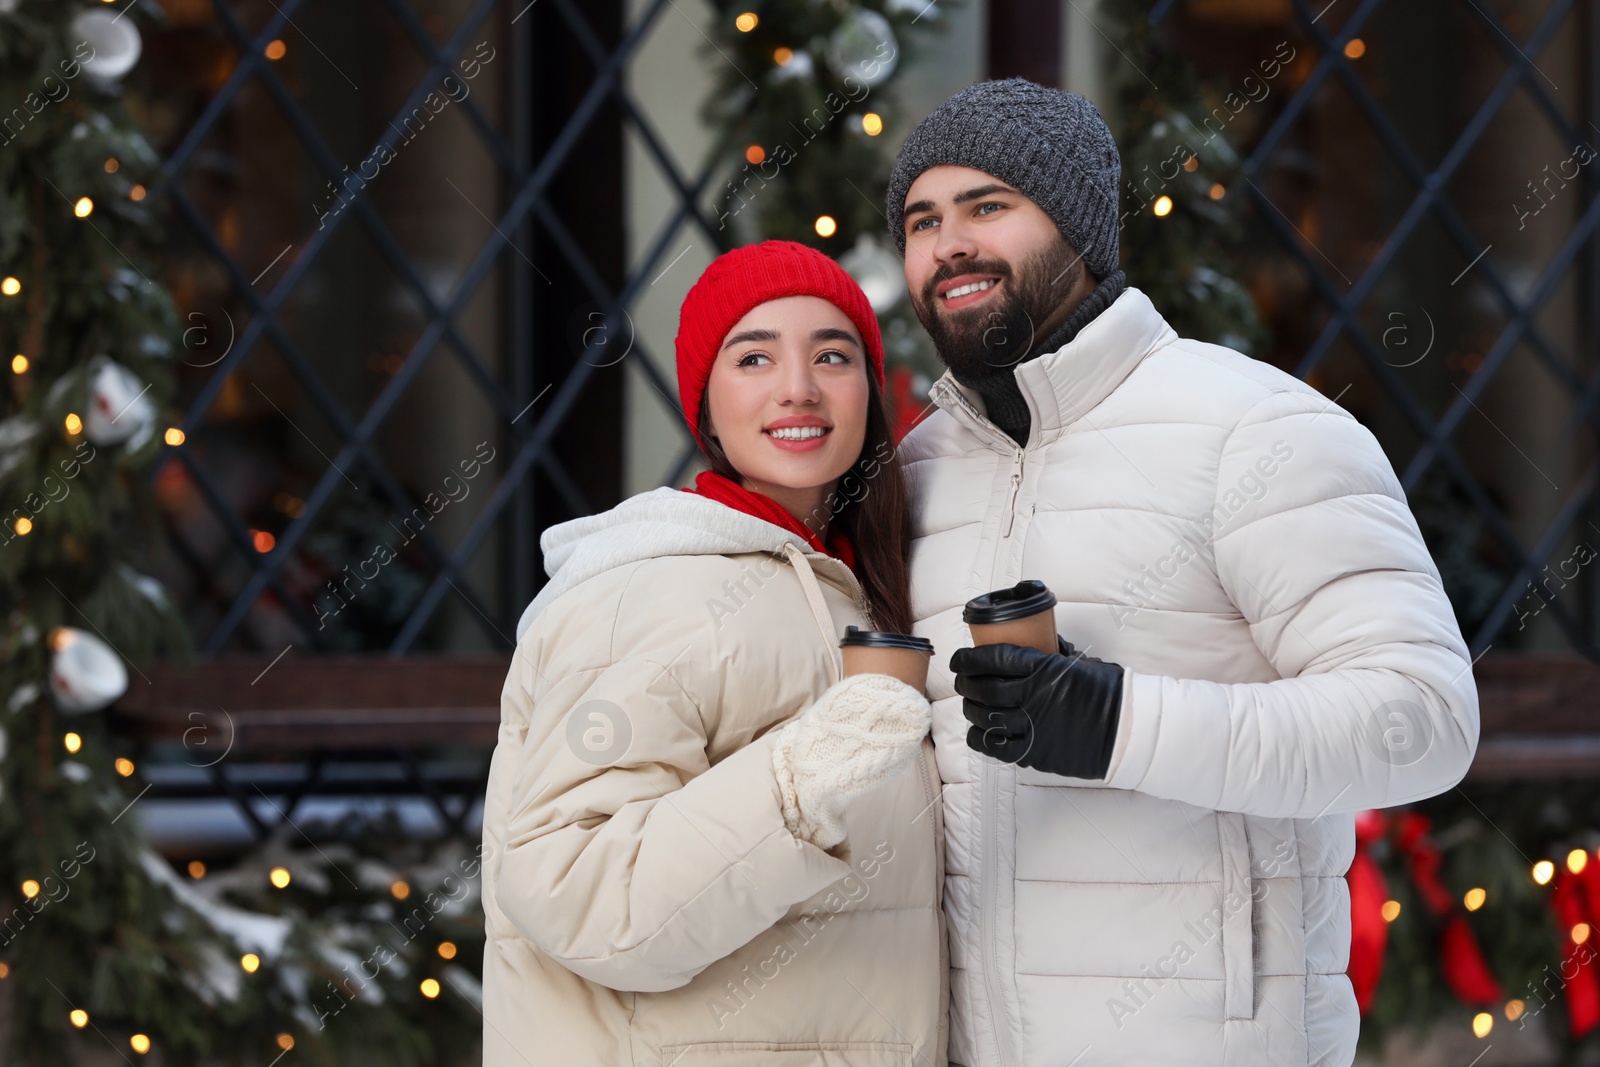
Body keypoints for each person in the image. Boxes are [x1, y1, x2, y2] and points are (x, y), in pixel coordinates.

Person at [887, 79, 1479, 1066]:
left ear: (1077, 227)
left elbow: (1421, 719)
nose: (948, 243)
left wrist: (1121, 723)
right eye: (921, 218)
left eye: (988, 206)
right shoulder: (911, 473)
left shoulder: (1256, 430)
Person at [480, 240, 947, 1066]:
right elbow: (577, 889)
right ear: (706, 401)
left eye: (831, 355)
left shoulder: (848, 578)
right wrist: (798, 782)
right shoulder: (646, 593)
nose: (797, 386)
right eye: (754, 355)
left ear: (869, 392)